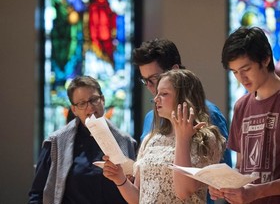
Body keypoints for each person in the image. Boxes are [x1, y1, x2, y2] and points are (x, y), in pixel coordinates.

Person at [209, 26, 280, 204]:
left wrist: (257, 192)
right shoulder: (241, 106)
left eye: (246, 69)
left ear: (266, 59)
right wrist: (224, 185)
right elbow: (241, 167)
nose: (241, 78)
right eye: (235, 72)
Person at [102, 69, 226, 203]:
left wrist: (182, 139)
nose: (156, 99)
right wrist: (120, 179)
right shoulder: (152, 139)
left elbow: (183, 191)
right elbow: (139, 199)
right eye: (157, 94)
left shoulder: (205, 139)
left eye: (164, 94)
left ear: (184, 98)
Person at [28, 75, 137, 204]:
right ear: (74, 109)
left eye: (94, 100)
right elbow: (37, 194)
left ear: (103, 100)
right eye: (82, 103)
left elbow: (138, 191)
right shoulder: (55, 143)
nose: (90, 108)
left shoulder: (127, 142)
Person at [132, 38, 232, 168]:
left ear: (175, 70)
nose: (150, 86)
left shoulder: (208, 112)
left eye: (155, 78)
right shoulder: (150, 118)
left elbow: (221, 171)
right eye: (145, 81)